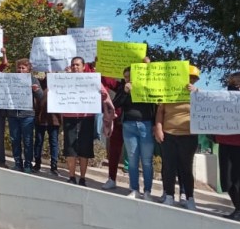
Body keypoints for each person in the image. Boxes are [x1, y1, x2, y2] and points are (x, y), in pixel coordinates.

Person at [61, 57, 113, 185]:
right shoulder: (63, 80)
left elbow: (105, 95)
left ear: (84, 66)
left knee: (85, 148)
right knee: (70, 149)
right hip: (69, 117)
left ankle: (82, 177)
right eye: (73, 65)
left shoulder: (92, 80)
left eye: (78, 65)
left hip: (86, 118)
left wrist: (103, 94)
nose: (75, 67)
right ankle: (72, 177)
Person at [155, 65, 200, 209]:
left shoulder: (197, 94)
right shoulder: (168, 91)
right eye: (188, 77)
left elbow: (207, 106)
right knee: (168, 167)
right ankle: (169, 195)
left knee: (186, 167)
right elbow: (160, 111)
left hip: (188, 136)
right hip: (169, 135)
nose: (190, 80)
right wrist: (159, 129)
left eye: (193, 79)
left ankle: (189, 197)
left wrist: (197, 93)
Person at [216, 72, 240, 222]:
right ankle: (239, 208)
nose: (231, 86)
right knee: (227, 180)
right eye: (230, 82)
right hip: (225, 143)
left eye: (235, 83)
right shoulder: (222, 97)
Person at [113, 67, 157, 200]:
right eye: (125, 77)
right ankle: (134, 189)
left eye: (130, 76)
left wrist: (155, 124)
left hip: (146, 125)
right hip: (129, 126)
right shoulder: (123, 89)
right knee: (132, 160)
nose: (128, 79)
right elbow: (115, 104)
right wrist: (125, 92)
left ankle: (147, 191)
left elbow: (156, 105)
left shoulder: (147, 87)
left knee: (147, 160)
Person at [7, 58, 44, 173]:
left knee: (28, 141)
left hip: (27, 115)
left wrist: (36, 90)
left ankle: (28, 164)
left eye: (23, 68)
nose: (21, 70)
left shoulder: (33, 80)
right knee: (14, 139)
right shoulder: (11, 79)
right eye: (19, 68)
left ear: (28, 69)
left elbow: (41, 96)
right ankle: (18, 163)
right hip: (13, 114)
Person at [33, 72, 59, 174]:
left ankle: (54, 166)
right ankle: (37, 164)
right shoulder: (39, 83)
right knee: (38, 142)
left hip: (54, 119)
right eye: (48, 71)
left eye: (52, 70)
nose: (50, 73)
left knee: (54, 143)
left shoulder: (59, 84)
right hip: (40, 118)